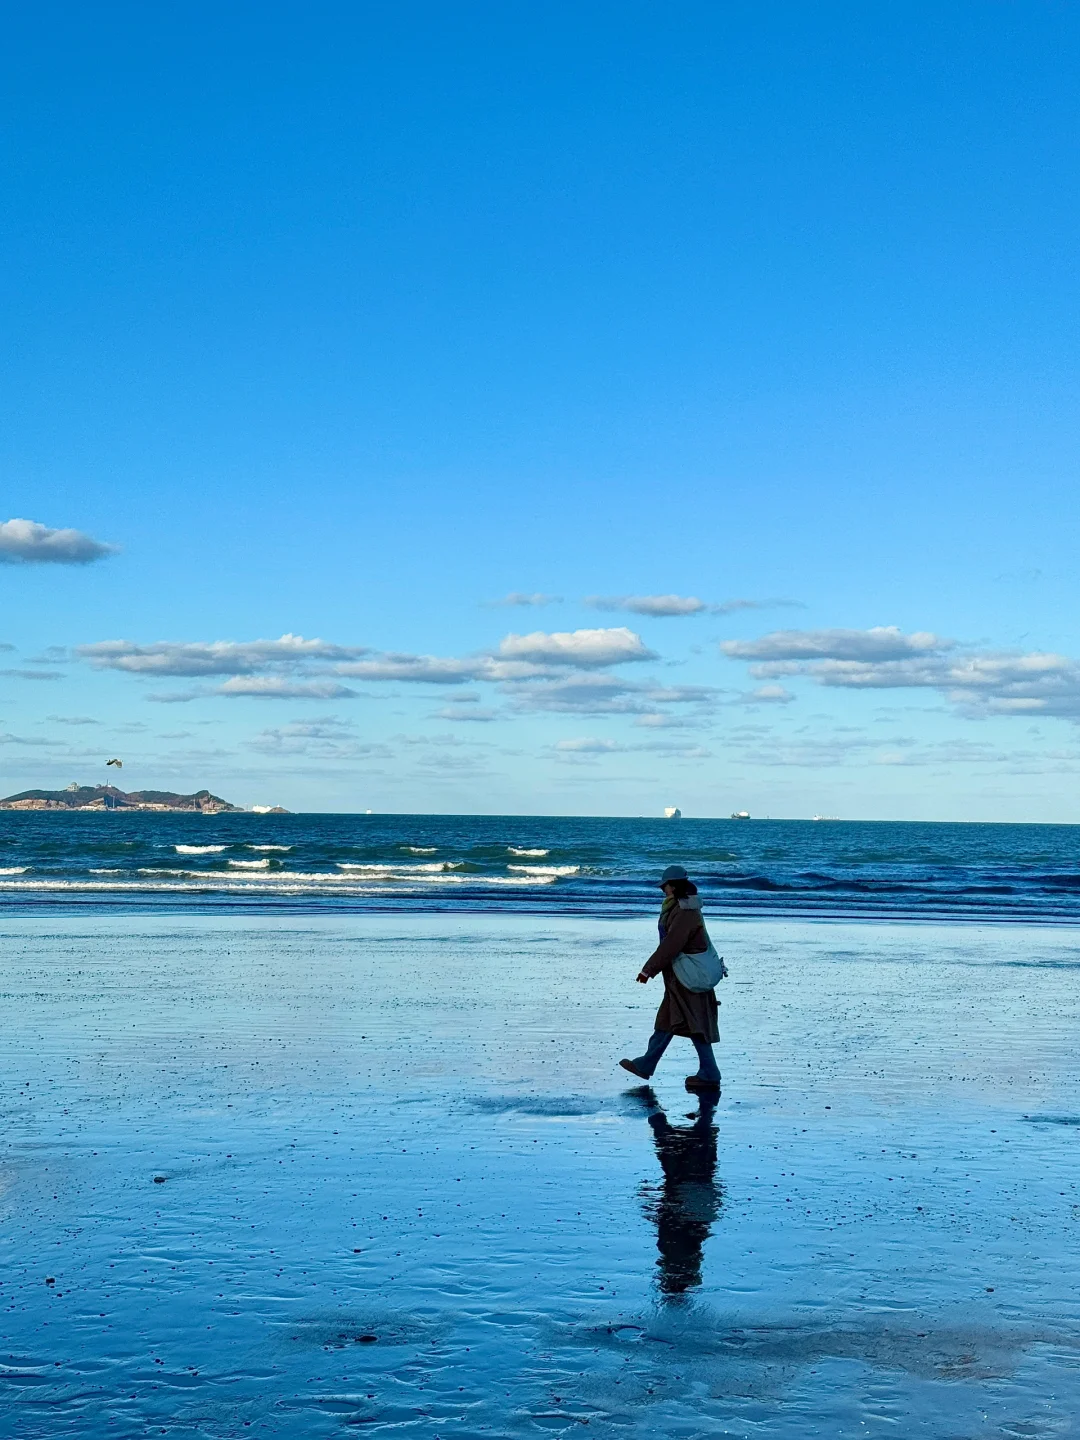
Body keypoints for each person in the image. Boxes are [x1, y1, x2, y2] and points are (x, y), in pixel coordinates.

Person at [619, 864, 722, 1090]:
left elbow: (672, 944)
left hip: (688, 978)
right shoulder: (678, 907)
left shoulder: (685, 911)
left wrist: (648, 970)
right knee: (672, 1022)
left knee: (693, 1024)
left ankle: (709, 1072)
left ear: (674, 886)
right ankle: (648, 1064)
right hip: (680, 977)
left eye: (664, 886)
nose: (662, 890)